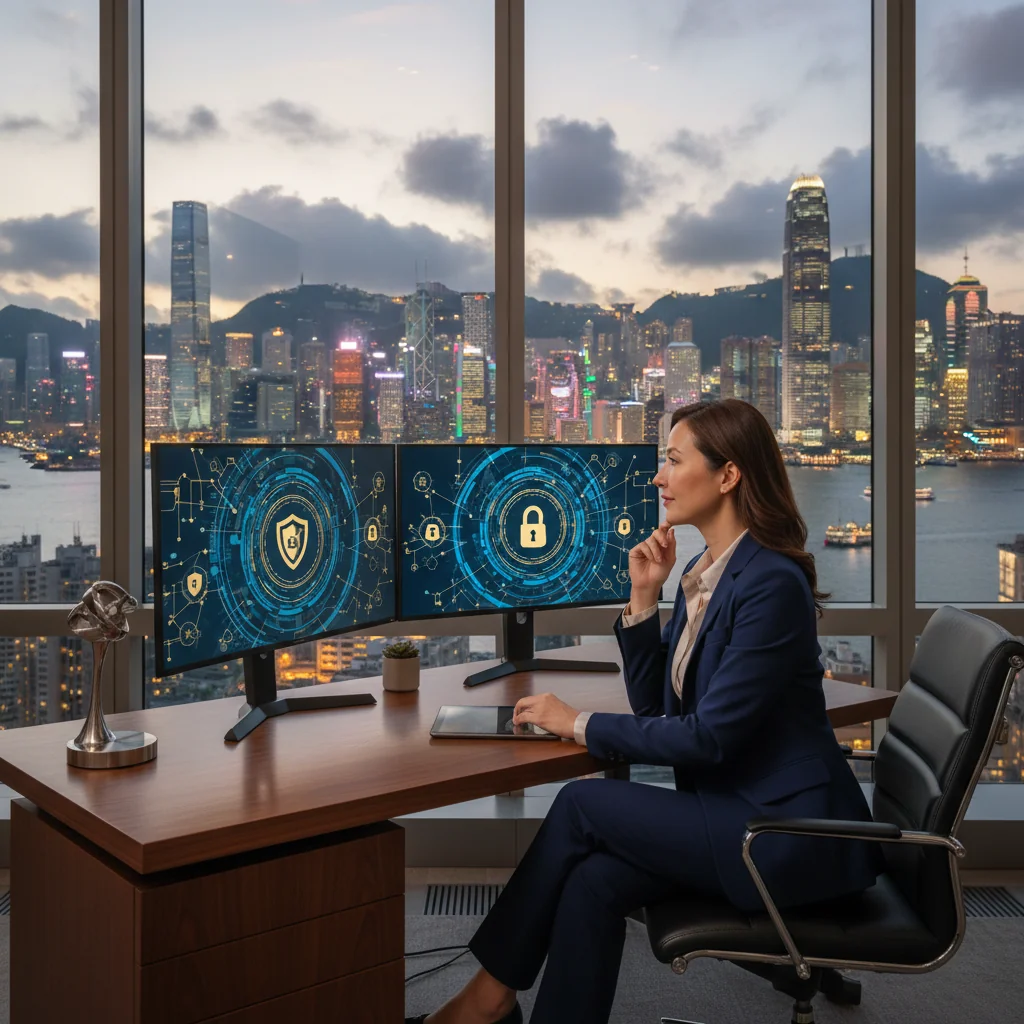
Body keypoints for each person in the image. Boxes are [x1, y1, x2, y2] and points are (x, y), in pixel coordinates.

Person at [405, 399, 882, 1024]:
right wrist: (643, 599)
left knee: (579, 804)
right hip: (730, 811)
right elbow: (661, 709)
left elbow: (708, 739)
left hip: (782, 835)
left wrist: (575, 722)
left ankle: (486, 1001)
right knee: (592, 882)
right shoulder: (705, 573)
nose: (658, 477)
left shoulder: (771, 584)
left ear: (728, 475)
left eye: (674, 460)